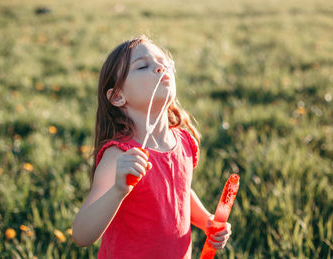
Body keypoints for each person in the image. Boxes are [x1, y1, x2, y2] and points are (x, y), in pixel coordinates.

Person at [72, 35, 232, 258]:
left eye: (163, 62)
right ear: (118, 96)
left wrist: (207, 221)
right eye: (143, 66)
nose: (159, 67)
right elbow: (81, 235)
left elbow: (180, 194)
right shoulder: (119, 156)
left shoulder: (183, 141)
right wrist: (119, 189)